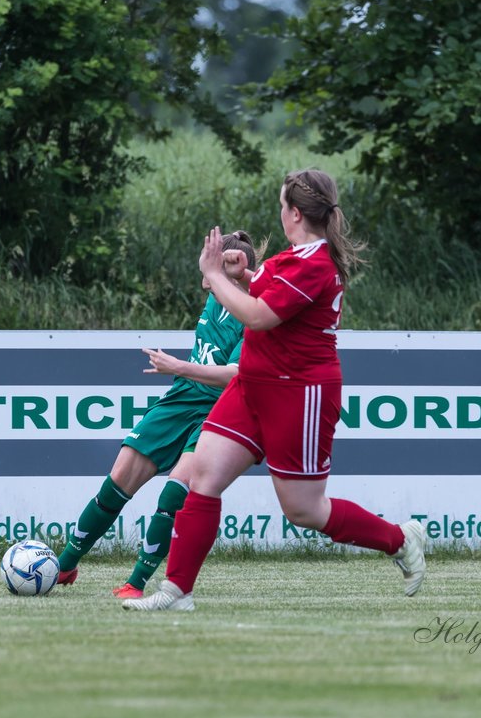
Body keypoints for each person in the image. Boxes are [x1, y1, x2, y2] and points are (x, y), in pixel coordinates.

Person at [124, 169, 427, 612]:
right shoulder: (293, 258)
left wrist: (216, 275)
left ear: (296, 213)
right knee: (201, 479)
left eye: (283, 206)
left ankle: (400, 539)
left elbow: (259, 316)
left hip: (299, 395)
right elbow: (263, 291)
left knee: (303, 510)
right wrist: (244, 274)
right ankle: (176, 592)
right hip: (253, 386)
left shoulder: (314, 263)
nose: (280, 213)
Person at [56, 230, 262, 597]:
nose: (203, 275)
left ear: (233, 271)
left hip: (220, 410)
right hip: (182, 398)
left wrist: (178, 366)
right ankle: (65, 565)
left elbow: (234, 377)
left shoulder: (255, 316)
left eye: (212, 265)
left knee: (174, 493)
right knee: (119, 478)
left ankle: (136, 583)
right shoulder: (215, 297)